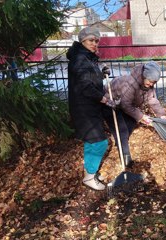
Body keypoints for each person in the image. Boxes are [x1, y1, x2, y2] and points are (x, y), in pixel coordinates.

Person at [66, 26, 116, 191]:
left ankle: (91, 173)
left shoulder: (86, 57)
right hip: (84, 108)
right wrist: (103, 99)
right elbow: (85, 86)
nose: (95, 43)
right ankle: (88, 178)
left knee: (92, 141)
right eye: (91, 40)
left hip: (89, 106)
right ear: (82, 41)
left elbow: (90, 77)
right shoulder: (79, 59)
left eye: (96, 41)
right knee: (99, 142)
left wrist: (102, 73)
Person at [103, 61, 166, 168]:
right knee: (122, 131)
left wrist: (161, 115)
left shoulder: (147, 86)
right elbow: (126, 105)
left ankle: (121, 143)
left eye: (154, 82)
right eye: (150, 81)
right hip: (109, 103)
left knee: (131, 122)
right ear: (144, 76)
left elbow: (152, 100)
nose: (151, 84)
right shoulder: (130, 83)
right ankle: (127, 160)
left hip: (121, 105)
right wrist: (142, 116)